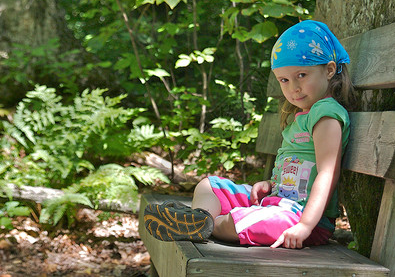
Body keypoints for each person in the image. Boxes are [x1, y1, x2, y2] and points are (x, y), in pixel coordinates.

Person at [144, 20, 356, 249]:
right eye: (284, 80)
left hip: (302, 218)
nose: (293, 87)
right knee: (209, 185)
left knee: (255, 221)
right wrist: (270, 183)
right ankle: (200, 219)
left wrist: (305, 225)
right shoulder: (302, 117)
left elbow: (326, 174)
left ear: (330, 70)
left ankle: (206, 224)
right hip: (276, 202)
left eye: (301, 75)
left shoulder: (326, 115)